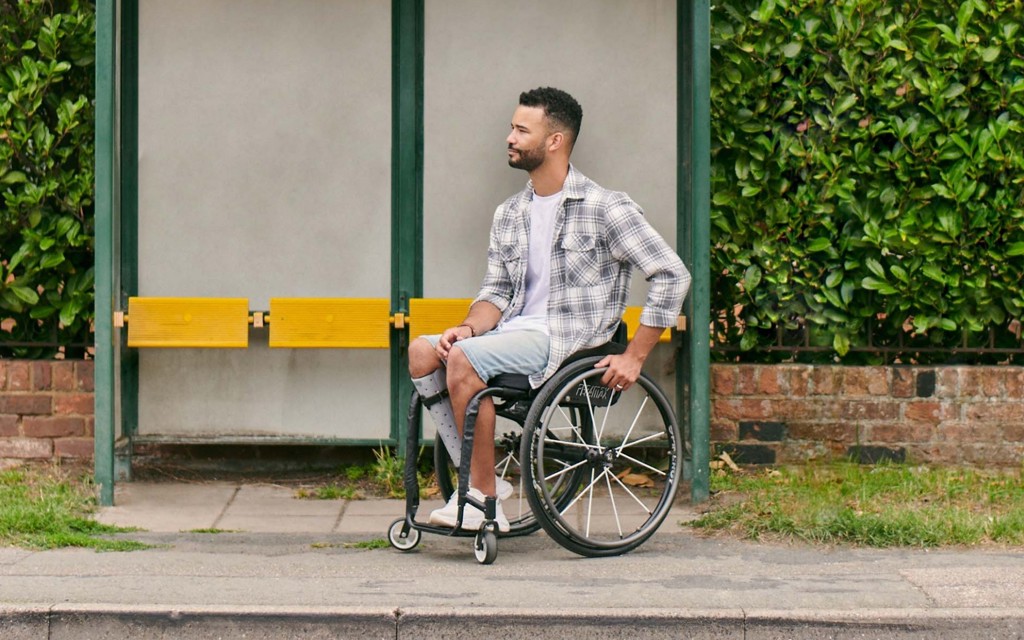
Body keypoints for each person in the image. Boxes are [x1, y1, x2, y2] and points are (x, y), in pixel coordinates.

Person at [408, 87, 690, 532]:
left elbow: (672, 274)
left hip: (571, 340)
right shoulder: (510, 213)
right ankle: (479, 478)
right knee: (424, 352)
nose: (510, 137)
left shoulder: (605, 208)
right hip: (516, 333)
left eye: (522, 130)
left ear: (555, 140)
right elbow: (496, 292)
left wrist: (635, 355)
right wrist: (469, 328)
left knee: (463, 360)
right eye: (512, 128)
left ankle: (481, 498)